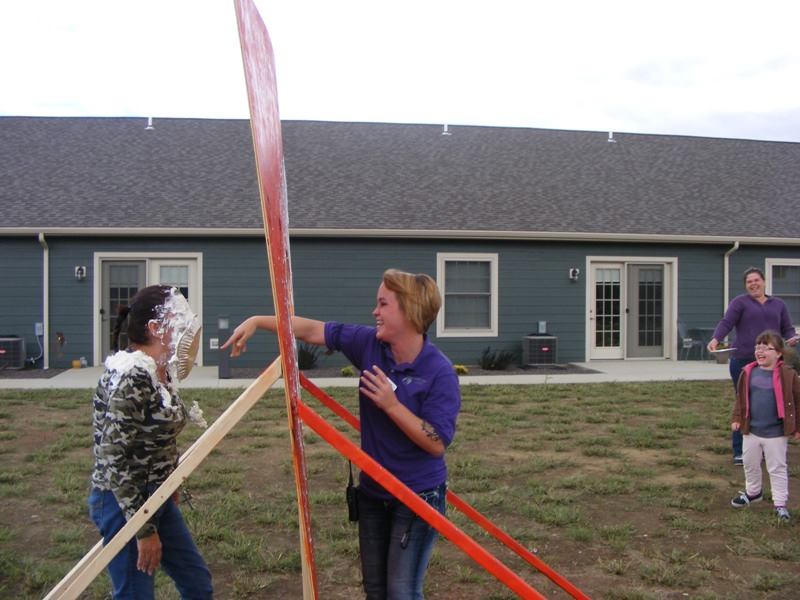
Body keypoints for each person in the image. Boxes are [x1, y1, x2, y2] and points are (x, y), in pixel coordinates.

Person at [222, 269, 461, 600]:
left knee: (401, 591)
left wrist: (392, 405)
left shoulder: (439, 372)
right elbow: (313, 331)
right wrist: (258, 321)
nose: (375, 312)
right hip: (374, 492)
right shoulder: (369, 344)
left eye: (383, 304)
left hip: (418, 495)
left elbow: (436, 443)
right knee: (376, 590)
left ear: (410, 310)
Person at [88, 285, 212, 599]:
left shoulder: (159, 373)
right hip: (123, 501)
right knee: (135, 594)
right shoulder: (132, 376)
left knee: (197, 583)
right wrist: (142, 530)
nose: (188, 328)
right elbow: (113, 457)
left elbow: (156, 435)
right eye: (180, 320)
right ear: (156, 328)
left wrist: (170, 482)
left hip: (156, 496)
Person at [707, 267, 798, 465]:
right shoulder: (740, 302)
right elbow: (727, 322)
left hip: (771, 364)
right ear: (746, 285)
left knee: (769, 403)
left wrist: (792, 338)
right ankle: (740, 451)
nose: (753, 284)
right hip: (743, 361)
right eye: (749, 282)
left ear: (764, 281)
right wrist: (716, 338)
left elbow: (787, 329)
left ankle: (767, 448)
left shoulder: (778, 304)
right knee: (744, 403)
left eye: (756, 280)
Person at [729, 330, 800, 521]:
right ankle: (753, 492)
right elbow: (740, 399)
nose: (759, 351)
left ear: (778, 353)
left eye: (766, 348)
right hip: (751, 430)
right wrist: (737, 418)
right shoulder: (748, 372)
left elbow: (797, 401)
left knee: (777, 468)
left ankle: (780, 504)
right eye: (757, 347)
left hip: (776, 433)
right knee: (750, 463)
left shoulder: (788, 375)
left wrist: (797, 427)